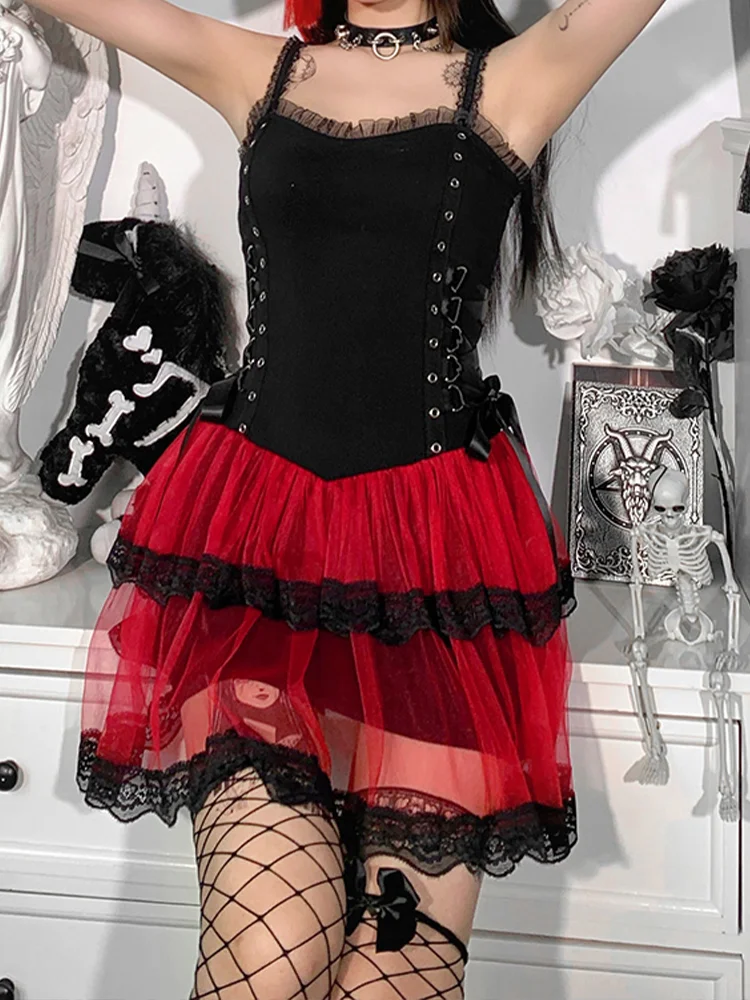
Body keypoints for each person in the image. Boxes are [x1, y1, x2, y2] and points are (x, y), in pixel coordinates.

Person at [24, 0, 668, 996]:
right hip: (258, 564)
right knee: (270, 952)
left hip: (436, 577)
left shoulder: (513, 82)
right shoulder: (259, 71)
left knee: (394, 981)